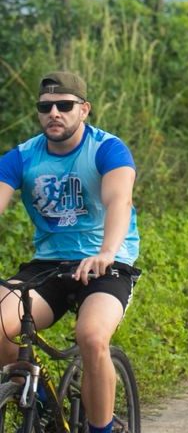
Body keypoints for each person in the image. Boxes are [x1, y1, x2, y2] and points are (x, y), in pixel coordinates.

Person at [0, 72, 140, 433]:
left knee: (92, 337)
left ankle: (102, 429)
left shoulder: (107, 149)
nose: (54, 113)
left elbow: (118, 201)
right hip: (48, 266)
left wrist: (107, 252)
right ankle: (44, 405)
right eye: (45, 107)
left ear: (85, 109)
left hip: (106, 264)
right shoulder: (22, 157)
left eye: (65, 105)